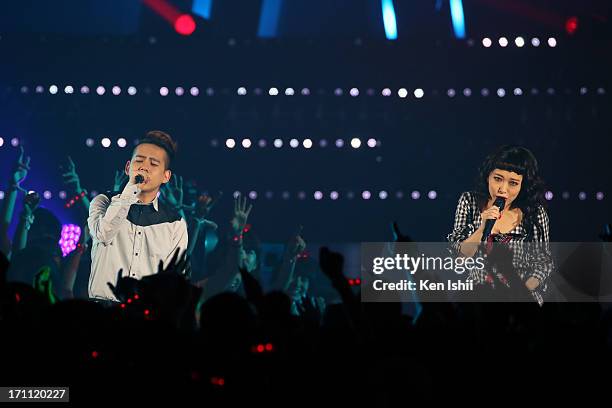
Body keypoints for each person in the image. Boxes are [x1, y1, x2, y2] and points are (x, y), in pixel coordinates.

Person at [87, 130, 188, 302]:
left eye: (153, 164)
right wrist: (130, 191)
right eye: (139, 161)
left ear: (166, 176)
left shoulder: (175, 223)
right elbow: (104, 234)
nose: (144, 167)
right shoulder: (103, 201)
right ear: (128, 167)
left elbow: (175, 277)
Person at [447, 145, 552, 305]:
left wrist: (519, 293)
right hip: (478, 301)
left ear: (523, 185)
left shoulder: (534, 213)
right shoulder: (470, 202)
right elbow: (458, 258)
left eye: (513, 183)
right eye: (498, 179)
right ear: (488, 176)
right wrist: (482, 227)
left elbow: (543, 263)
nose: (503, 189)